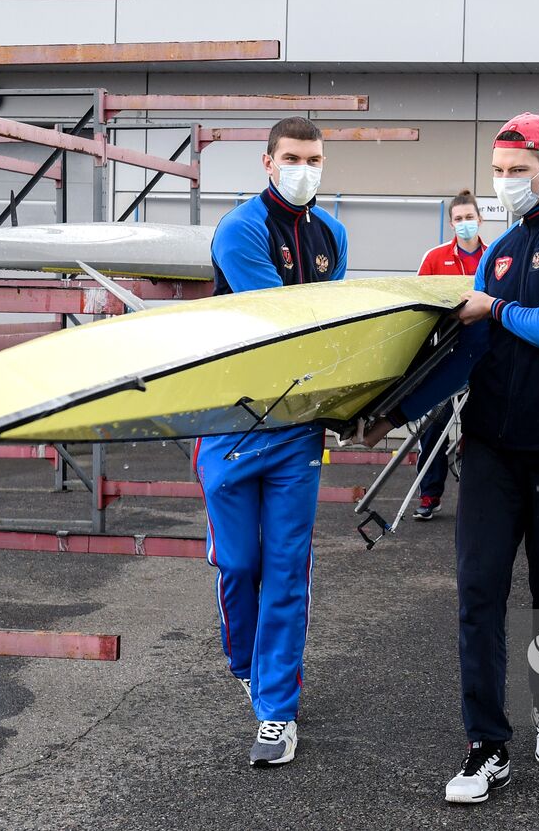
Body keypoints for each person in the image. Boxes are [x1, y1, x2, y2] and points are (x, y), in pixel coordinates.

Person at [358, 113, 539, 804]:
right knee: (477, 593)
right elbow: (464, 351)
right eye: (499, 169)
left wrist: (495, 308)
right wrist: (389, 411)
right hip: (490, 449)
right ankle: (485, 745)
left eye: (518, 169)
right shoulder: (499, 249)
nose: (506, 181)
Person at [193, 116, 348, 767]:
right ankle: (247, 660)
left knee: (287, 570)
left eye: (314, 158)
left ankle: (277, 711)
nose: (304, 169)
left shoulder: (334, 233)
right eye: (293, 157)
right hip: (231, 421)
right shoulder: (241, 230)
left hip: (298, 430)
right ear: (267, 161)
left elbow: (337, 326)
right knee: (238, 565)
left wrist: (341, 400)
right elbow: (286, 323)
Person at [411, 191, 486, 521]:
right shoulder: (435, 258)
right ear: (451, 222)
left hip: (484, 354)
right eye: (459, 219)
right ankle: (430, 494)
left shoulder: (495, 256)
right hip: (443, 353)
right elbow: (418, 303)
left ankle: (478, 498)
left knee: (482, 428)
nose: (465, 224)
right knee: (433, 425)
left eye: (470, 218)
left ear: (480, 219)